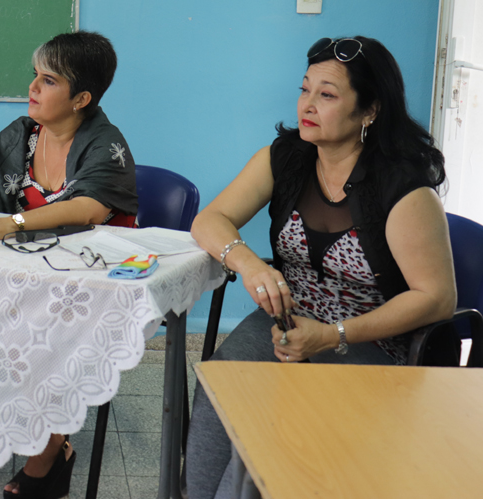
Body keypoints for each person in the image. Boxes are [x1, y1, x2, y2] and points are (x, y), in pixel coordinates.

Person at [185, 36, 457, 499]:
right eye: (305, 89)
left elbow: (437, 297)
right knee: (221, 391)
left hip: (372, 341)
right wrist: (250, 265)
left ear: (369, 109)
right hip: (288, 324)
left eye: (327, 95)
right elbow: (209, 220)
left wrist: (334, 335)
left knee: (262, 439)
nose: (307, 105)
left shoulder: (403, 188)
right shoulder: (288, 157)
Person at [0, 30, 137, 495]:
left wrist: (11, 222)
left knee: (48, 332)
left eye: (49, 80)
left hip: (88, 286)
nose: (33, 87)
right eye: (35, 75)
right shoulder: (22, 133)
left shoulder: (106, 144)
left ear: (81, 98)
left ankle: (51, 450)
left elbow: (90, 208)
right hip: (24, 272)